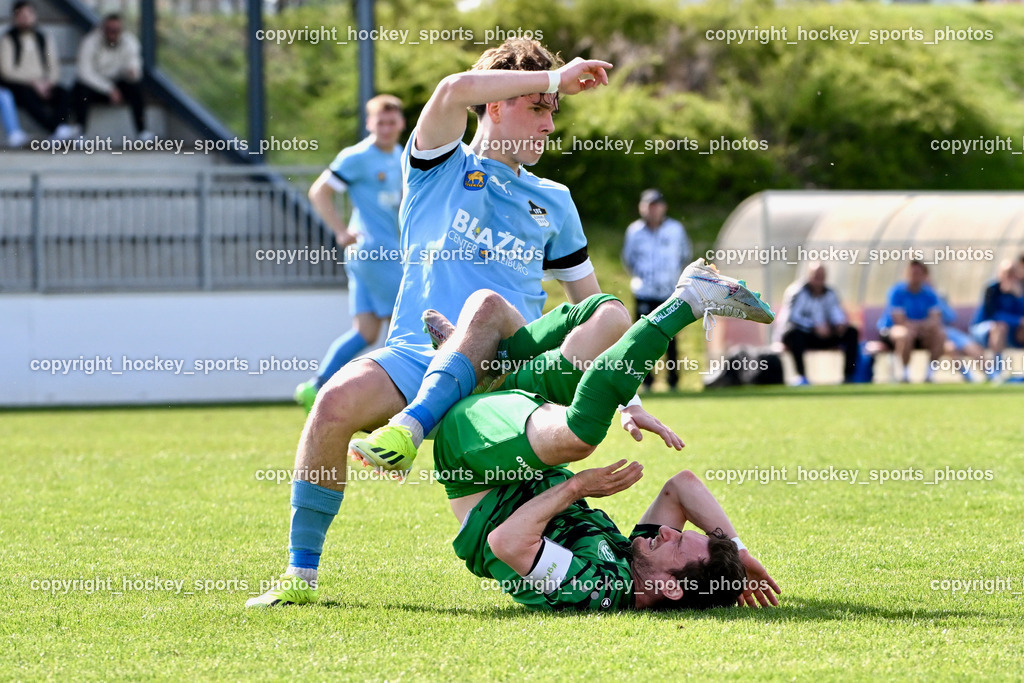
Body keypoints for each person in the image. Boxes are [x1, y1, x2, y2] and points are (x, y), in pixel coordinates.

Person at [246, 39, 634, 607]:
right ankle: (300, 576)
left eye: (554, 110)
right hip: (412, 353)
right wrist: (556, 77)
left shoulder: (554, 200)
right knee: (330, 406)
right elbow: (454, 90)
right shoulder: (439, 165)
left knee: (490, 320)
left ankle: (417, 433)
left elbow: (594, 307)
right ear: (497, 105)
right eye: (539, 106)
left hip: (505, 370)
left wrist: (626, 397)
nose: (551, 121)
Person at [251, 257, 777, 607]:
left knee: (578, 438)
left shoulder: (598, 591)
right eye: (677, 532)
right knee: (607, 315)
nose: (666, 530)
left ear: (669, 588)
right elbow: (682, 484)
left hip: (475, 462)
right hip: (523, 447)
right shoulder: (645, 561)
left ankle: (685, 302)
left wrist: (575, 487)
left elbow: (507, 542)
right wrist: (732, 550)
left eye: (676, 544)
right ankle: (491, 362)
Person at [293, 94, 407, 412]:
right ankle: (394, 396)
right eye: (379, 122)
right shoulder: (357, 156)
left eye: (391, 121)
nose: (385, 128)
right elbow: (319, 191)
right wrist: (340, 231)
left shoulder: (400, 155)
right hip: (374, 252)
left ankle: (315, 388)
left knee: (366, 332)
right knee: (404, 322)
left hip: (377, 253)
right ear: (369, 123)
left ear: (401, 123)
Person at [620, 189, 691, 391]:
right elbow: (628, 259)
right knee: (644, 338)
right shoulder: (634, 231)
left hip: (670, 291)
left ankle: (673, 381)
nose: (653, 210)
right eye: (649, 205)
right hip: (644, 291)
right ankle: (647, 381)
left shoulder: (676, 229)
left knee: (671, 338)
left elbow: (685, 254)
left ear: (664, 207)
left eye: (656, 205)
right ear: (642, 208)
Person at [0, 1, 75, 139]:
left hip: (43, 84)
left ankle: (61, 128)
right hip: (19, 84)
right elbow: (6, 70)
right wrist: (33, 82)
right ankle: (54, 128)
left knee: (63, 93)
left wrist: (48, 83)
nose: (25, 18)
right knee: (26, 94)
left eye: (29, 14)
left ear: (35, 16)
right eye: (21, 15)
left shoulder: (43, 38)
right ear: (15, 18)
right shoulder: (8, 39)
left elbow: (53, 65)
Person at [69, 13, 151, 140]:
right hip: (96, 86)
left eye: (116, 30)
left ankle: (142, 131)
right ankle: (80, 131)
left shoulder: (130, 41)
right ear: (103, 29)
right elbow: (84, 73)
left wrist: (132, 72)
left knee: (137, 88)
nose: (112, 33)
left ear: (122, 30)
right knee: (80, 88)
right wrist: (109, 89)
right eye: (109, 30)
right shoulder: (90, 42)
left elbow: (135, 67)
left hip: (119, 84)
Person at [779, 263, 858, 386]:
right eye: (816, 275)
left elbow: (836, 312)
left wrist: (839, 324)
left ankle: (849, 376)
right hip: (804, 334)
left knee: (852, 332)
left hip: (824, 334)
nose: (819, 279)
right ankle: (801, 376)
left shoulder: (830, 292)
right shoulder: (797, 292)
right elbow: (793, 317)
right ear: (809, 275)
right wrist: (814, 327)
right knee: (793, 333)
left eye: (822, 276)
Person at [877, 260, 945, 383]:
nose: (914, 276)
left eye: (918, 273)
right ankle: (904, 374)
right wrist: (918, 327)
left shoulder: (930, 294)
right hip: (891, 330)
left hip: (921, 332)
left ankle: (930, 375)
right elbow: (899, 320)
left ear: (924, 275)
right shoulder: (897, 292)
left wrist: (921, 328)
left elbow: (935, 319)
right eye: (912, 273)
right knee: (905, 334)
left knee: (940, 335)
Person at [970, 259, 1024, 381]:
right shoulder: (992, 289)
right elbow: (992, 315)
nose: (1009, 276)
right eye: (1006, 273)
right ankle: (997, 372)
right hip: (983, 329)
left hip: (1009, 331)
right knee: (999, 327)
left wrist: (1019, 296)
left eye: (1012, 273)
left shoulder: (1019, 289)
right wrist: (1017, 321)